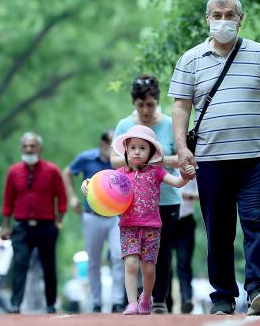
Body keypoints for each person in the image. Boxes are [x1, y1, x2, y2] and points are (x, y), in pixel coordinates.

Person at [169, 0, 260, 316]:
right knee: (219, 229)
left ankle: (258, 289)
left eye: (230, 15)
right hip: (211, 160)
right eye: (218, 14)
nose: (223, 20)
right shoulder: (191, 59)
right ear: (207, 19)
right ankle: (222, 296)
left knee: (256, 223)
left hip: (255, 157)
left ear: (240, 19)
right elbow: (180, 107)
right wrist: (182, 148)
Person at [83, 125, 194, 315]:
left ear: (150, 152)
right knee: (131, 264)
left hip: (152, 227)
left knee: (149, 269)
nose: (137, 151)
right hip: (128, 227)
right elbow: (102, 184)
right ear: (126, 149)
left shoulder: (157, 171)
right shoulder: (120, 174)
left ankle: (146, 297)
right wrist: (88, 184)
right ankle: (132, 303)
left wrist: (185, 175)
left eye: (142, 148)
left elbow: (177, 183)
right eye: (133, 147)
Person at [111, 74, 182, 314]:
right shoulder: (124, 125)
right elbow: (113, 161)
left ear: (157, 101)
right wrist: (133, 161)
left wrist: (157, 161)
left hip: (167, 198)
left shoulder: (170, 124)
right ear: (134, 103)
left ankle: (158, 299)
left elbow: (182, 157)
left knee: (160, 254)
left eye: (150, 104)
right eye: (140, 104)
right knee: (131, 257)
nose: (146, 109)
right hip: (130, 203)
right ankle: (132, 300)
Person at [0, 132, 67, 314]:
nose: (29, 149)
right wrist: (5, 225)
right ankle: (15, 304)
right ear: (21, 148)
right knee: (20, 264)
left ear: (40, 148)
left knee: (48, 265)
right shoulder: (13, 172)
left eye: (33, 146)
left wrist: (58, 221)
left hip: (46, 226)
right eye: (26, 146)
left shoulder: (52, 171)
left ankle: (51, 303)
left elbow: (61, 198)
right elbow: (7, 201)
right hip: (21, 226)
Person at [63, 130, 125, 313]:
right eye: (111, 145)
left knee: (117, 256)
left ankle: (117, 301)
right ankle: (96, 302)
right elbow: (67, 172)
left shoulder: (120, 162)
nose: (114, 150)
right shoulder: (87, 158)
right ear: (103, 144)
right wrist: (72, 198)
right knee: (94, 261)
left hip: (115, 217)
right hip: (91, 216)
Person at [166, 178, 199, 314]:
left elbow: (203, 192)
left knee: (184, 262)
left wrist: (187, 195)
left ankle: (186, 300)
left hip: (185, 221)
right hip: (165, 220)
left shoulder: (191, 169)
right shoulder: (161, 167)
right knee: (165, 263)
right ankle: (166, 302)